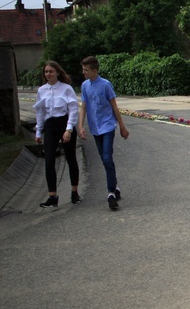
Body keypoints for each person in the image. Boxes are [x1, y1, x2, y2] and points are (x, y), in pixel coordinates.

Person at [77, 56, 129, 210]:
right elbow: (84, 107)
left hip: (107, 126)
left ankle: (111, 193)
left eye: (86, 70)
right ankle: (115, 186)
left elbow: (115, 107)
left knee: (107, 157)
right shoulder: (85, 86)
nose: (83, 72)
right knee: (105, 159)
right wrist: (80, 126)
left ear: (94, 70)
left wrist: (122, 127)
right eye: (83, 69)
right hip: (95, 128)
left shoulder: (106, 85)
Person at [33, 61, 80, 207]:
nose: (48, 74)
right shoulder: (42, 90)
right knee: (49, 160)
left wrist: (69, 129)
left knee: (71, 158)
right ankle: (52, 195)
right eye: (46, 72)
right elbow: (40, 112)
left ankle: (74, 192)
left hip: (64, 123)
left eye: (51, 71)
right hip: (50, 126)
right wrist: (39, 131)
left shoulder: (66, 89)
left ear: (58, 73)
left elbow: (73, 109)